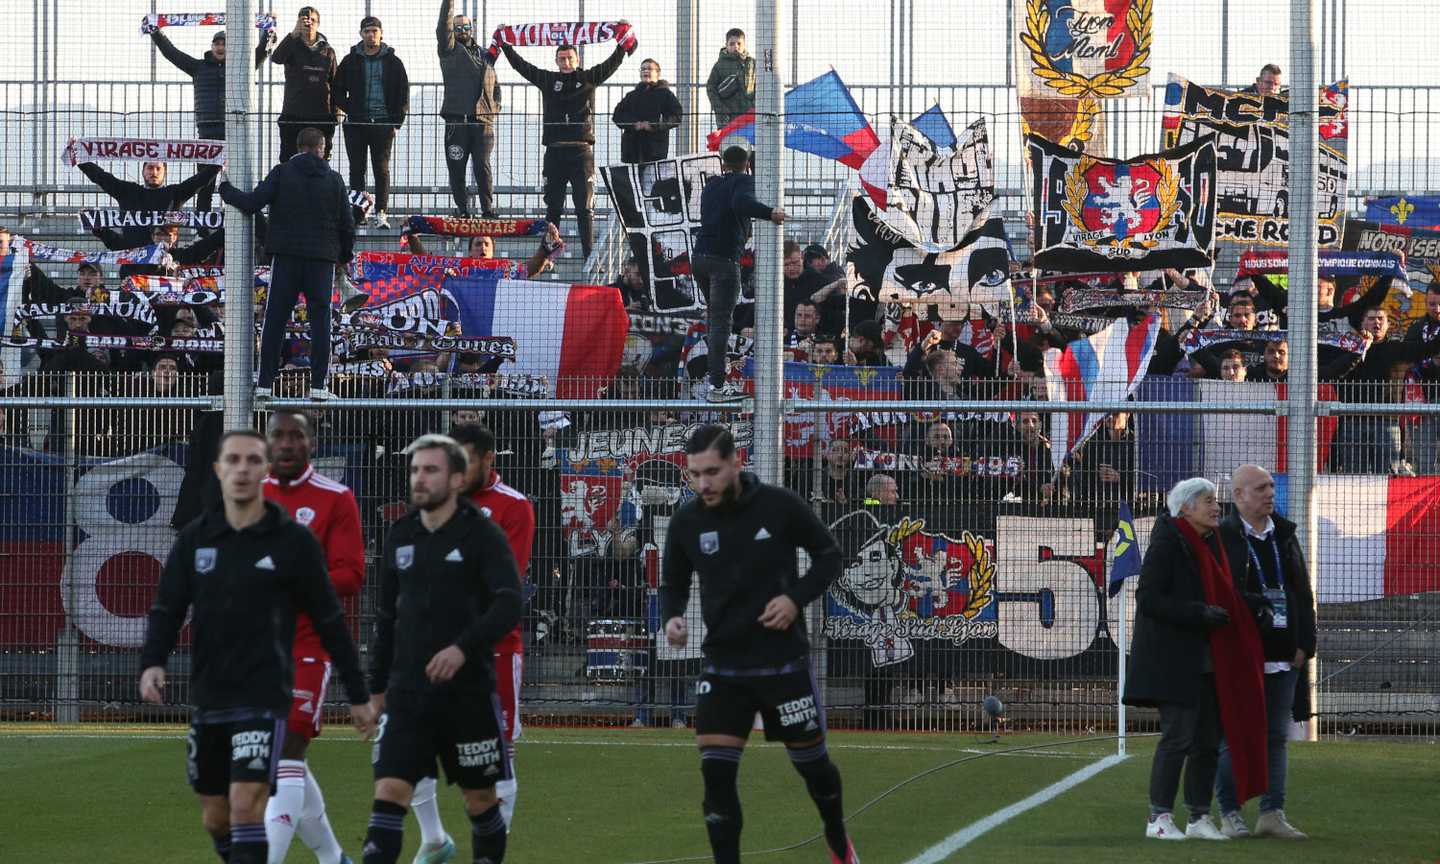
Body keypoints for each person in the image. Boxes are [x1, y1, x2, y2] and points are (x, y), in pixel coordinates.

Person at [139, 429, 373, 864]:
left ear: (265, 471)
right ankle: (332, 855)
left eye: (252, 461)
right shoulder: (196, 538)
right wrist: (153, 661)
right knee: (217, 816)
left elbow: (329, 619)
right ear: (218, 470)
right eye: (233, 460)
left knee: (250, 801)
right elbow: (168, 605)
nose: (242, 470)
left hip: (268, 693)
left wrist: (358, 693)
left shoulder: (293, 541)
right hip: (211, 694)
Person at [660, 425, 859, 864]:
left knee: (814, 770)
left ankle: (836, 838)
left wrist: (794, 599)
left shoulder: (779, 505)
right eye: (695, 474)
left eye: (712, 471)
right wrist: (671, 616)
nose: (703, 483)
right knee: (715, 775)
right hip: (723, 668)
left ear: (736, 463)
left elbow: (829, 555)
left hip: (782, 663)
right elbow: (672, 581)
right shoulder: (688, 520)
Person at [362, 434, 524, 864]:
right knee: (390, 792)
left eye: (430, 470)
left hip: (467, 694)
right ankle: (427, 841)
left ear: (455, 479)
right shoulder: (400, 534)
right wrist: (375, 688)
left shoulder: (482, 535)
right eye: (415, 469)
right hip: (407, 694)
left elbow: (510, 602)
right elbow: (386, 617)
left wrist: (461, 648)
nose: (419, 478)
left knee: (479, 800)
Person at [405, 424, 536, 858]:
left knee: (499, 751)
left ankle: (494, 845)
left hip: (493, 647)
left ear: (488, 459)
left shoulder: (513, 507)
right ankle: (432, 839)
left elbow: (503, 586)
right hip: (432, 643)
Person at [1122, 477, 1266, 843]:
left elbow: (1223, 595)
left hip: (1208, 658)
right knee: (1178, 737)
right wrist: (1198, 613)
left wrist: (1251, 604)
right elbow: (1149, 600)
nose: (1216, 507)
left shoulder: (1210, 543)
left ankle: (1199, 816)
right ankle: (1158, 817)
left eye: (1216, 500)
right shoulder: (1169, 542)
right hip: (1174, 659)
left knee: (1206, 740)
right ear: (1185, 508)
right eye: (1208, 501)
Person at [259, 412, 365, 864]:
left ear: (312, 444)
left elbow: (351, 574)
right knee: (278, 759)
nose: (286, 443)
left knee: (290, 744)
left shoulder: (336, 498)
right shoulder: (247, 495)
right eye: (278, 435)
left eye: (296, 435)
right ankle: (334, 857)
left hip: (308, 642)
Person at [1214, 465, 1315, 840]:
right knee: (1236, 735)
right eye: (1261, 488)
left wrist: (1305, 643)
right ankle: (1229, 812)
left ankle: (1272, 812)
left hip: (1284, 654)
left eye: (1271, 487)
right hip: (1241, 653)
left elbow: (1302, 593)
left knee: (1275, 736)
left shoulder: (1285, 535)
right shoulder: (1223, 537)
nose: (1270, 494)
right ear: (1238, 495)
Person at [220, 126, 355, 402]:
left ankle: (265, 385)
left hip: (286, 257)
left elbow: (251, 203)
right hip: (321, 260)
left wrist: (225, 189)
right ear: (322, 148)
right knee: (321, 323)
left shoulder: (282, 172)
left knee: (275, 320)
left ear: (297, 147)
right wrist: (343, 256)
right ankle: (318, 386)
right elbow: (347, 226)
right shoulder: (335, 180)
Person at [499, 35, 631, 260]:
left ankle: (589, 256)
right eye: (561, 59)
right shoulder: (548, 80)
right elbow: (523, 67)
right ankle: (547, 255)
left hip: (581, 152)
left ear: (577, 60)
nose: (566, 62)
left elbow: (612, 63)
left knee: (585, 208)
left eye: (569, 58)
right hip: (555, 151)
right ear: (556, 61)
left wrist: (623, 42)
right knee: (553, 207)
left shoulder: (589, 78)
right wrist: (504, 45)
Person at [693, 145, 786, 402]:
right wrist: (770, 213)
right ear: (746, 164)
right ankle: (717, 386)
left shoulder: (711, 184)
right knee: (722, 322)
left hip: (700, 258)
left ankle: (714, 375)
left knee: (715, 318)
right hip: (724, 261)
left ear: (723, 163)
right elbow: (741, 203)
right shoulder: (744, 181)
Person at [335, 16, 410, 229]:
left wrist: (397, 122)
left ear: (381, 34)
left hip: (384, 123)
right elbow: (337, 89)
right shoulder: (350, 60)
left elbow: (403, 92)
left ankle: (381, 213)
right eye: (367, 31)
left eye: (375, 31)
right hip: (357, 124)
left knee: (381, 169)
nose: (371, 35)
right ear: (361, 34)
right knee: (356, 169)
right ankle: (358, 213)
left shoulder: (393, 62)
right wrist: (351, 109)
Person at [149, 26, 226, 212]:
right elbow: (172, 54)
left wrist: (267, 34)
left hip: (234, 130)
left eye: (224, 44)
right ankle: (202, 228)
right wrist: (156, 33)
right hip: (207, 130)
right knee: (204, 182)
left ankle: (237, 228)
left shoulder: (240, 69)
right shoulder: (198, 67)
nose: (220, 47)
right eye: (217, 43)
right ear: (211, 46)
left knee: (237, 181)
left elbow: (259, 54)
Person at [437, 0, 503, 218]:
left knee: (483, 168)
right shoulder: (449, 51)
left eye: (466, 27)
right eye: (457, 28)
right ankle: (463, 209)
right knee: (457, 169)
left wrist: (494, 109)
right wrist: (449, 4)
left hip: (483, 122)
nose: (462, 31)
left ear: (471, 29)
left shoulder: (484, 55)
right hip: (457, 122)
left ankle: (487, 209)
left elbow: (495, 86)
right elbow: (442, 27)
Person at [75, 159, 219, 248]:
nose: (154, 172)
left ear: (164, 173)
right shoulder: (128, 191)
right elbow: (101, 177)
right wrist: (80, 158)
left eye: (158, 169)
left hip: (164, 267)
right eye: (150, 168)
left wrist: (219, 162)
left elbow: (199, 181)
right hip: (132, 268)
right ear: (143, 171)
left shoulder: (174, 194)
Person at [265, 7, 339, 162]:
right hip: (293, 114)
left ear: (318, 24)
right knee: (289, 159)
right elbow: (277, 58)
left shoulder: (328, 51)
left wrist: (335, 112)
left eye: (313, 20)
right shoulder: (292, 45)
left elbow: (335, 83)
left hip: (321, 116)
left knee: (321, 160)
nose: (309, 23)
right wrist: (293, 34)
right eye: (304, 20)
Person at [613, 58, 683, 164]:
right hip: (632, 149)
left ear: (657, 73)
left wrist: (653, 125)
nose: (646, 71)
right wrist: (634, 124)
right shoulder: (631, 95)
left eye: (649, 69)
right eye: (643, 69)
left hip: (655, 149)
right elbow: (617, 116)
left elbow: (676, 116)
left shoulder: (665, 94)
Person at [1404, 282, 1440, 473]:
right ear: (1425, 302)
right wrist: (1430, 363)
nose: (1437, 309)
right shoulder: (1416, 328)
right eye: (1432, 304)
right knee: (1425, 461)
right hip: (1422, 401)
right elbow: (1406, 360)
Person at [706, 29, 755, 128]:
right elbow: (711, 88)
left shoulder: (752, 64)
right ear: (726, 45)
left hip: (750, 116)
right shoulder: (719, 66)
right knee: (729, 143)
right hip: (728, 118)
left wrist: (754, 107)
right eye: (732, 44)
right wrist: (721, 111)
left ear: (744, 45)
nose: (735, 46)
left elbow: (759, 87)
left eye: (739, 43)